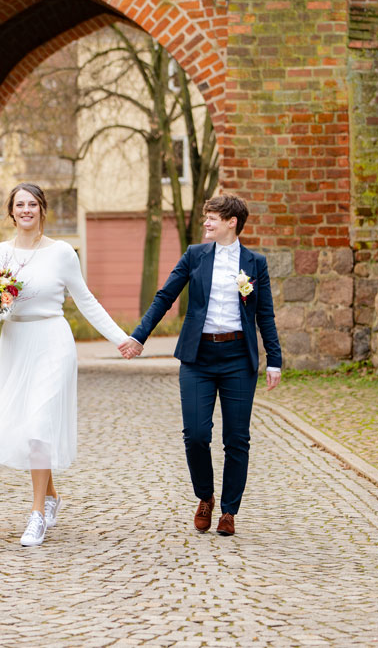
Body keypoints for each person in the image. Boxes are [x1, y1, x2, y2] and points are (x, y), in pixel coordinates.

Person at [0, 183, 134, 547]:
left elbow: (86, 300)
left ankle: (36, 514)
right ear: (11, 211)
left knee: (39, 424)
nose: (26, 210)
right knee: (27, 424)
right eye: (19, 204)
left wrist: (121, 338)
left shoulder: (62, 253)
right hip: (16, 345)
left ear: (42, 209)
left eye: (32, 204)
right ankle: (50, 496)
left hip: (52, 341)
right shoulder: (0, 253)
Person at [119, 194, 282, 536]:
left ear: (231, 222)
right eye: (206, 217)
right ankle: (205, 496)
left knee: (237, 439)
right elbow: (165, 297)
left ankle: (229, 511)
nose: (206, 223)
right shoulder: (195, 255)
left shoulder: (255, 263)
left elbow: (264, 314)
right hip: (198, 357)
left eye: (212, 218)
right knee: (195, 434)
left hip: (239, 359)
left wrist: (274, 360)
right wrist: (139, 336)